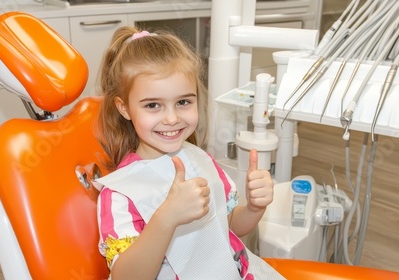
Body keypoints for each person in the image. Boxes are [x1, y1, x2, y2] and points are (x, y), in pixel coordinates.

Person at [94, 26, 285, 280]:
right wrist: (166, 218)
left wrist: (254, 207)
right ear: (125, 108)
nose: (172, 118)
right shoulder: (121, 193)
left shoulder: (200, 160)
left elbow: (229, 227)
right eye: (153, 105)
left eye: (183, 102)